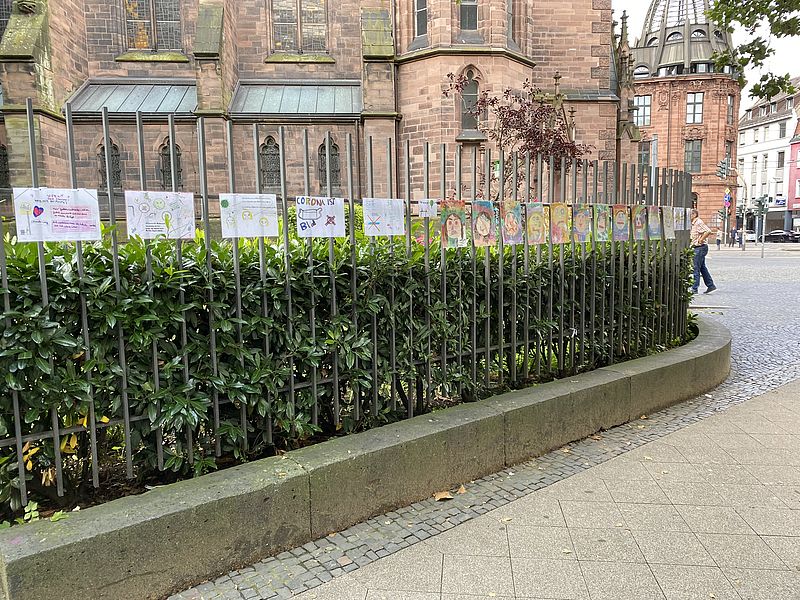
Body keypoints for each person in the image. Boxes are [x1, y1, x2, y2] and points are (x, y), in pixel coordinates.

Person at [690, 209, 716, 294]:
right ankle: (710, 285)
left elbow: (708, 231)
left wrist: (701, 239)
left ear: (694, 214)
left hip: (699, 247)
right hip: (698, 247)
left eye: (689, 214)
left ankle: (695, 288)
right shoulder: (693, 223)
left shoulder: (698, 222)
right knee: (702, 268)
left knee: (696, 268)